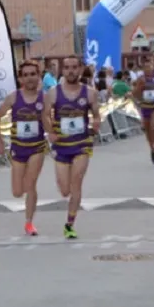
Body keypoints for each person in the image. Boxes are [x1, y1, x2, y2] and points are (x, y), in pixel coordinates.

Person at [43, 55, 100, 239]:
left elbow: (97, 115)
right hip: (61, 146)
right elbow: (44, 115)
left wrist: (96, 124)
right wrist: (50, 131)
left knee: (77, 182)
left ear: (80, 69)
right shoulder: (53, 92)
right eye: (67, 68)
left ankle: (70, 223)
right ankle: (69, 211)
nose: (71, 71)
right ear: (62, 70)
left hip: (82, 144)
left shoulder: (90, 93)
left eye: (74, 67)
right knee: (65, 189)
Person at [0, 60, 48, 236]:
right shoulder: (13, 97)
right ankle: (26, 197)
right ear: (21, 79)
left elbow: (50, 123)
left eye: (33, 74)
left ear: (38, 76)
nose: (30, 78)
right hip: (18, 148)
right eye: (26, 75)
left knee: (30, 184)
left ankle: (29, 223)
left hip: (37, 147)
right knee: (18, 192)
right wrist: (0, 141)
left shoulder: (45, 98)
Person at [132, 59, 154, 165]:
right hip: (145, 106)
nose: (148, 69)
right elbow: (135, 94)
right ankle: (153, 148)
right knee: (147, 130)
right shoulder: (140, 79)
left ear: (152, 67)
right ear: (143, 69)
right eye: (145, 67)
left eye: (149, 66)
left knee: (153, 127)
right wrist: (139, 88)